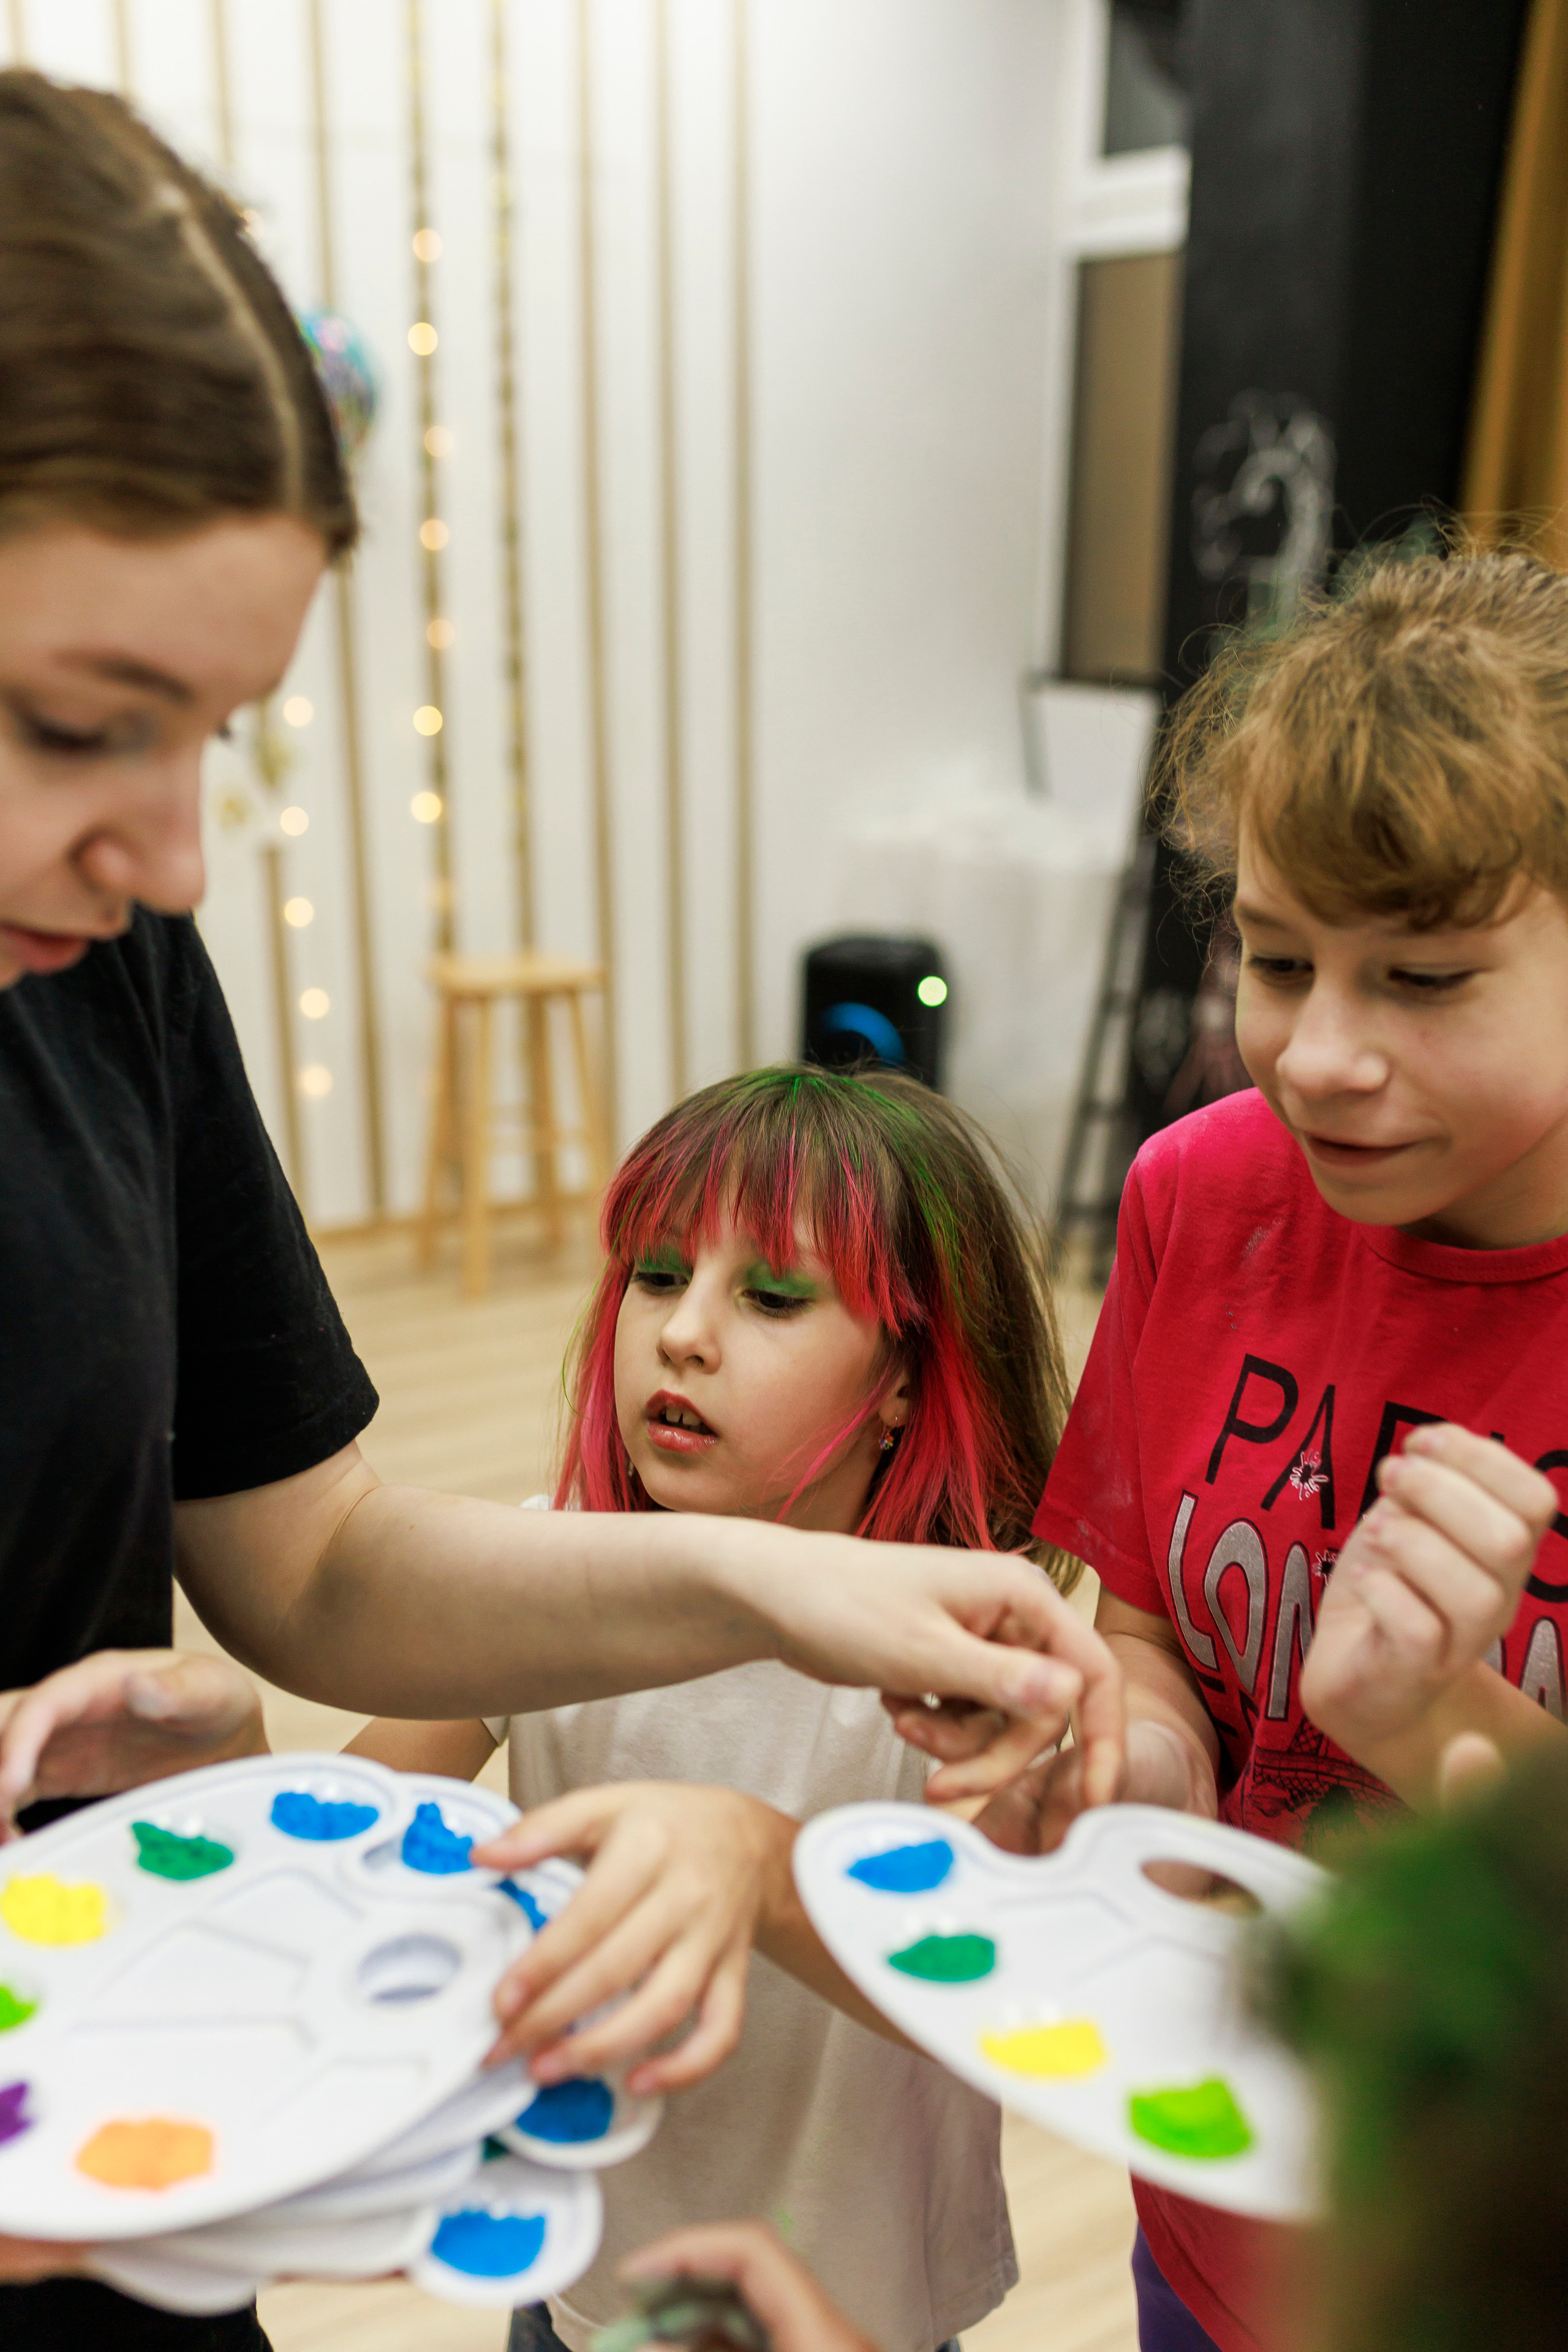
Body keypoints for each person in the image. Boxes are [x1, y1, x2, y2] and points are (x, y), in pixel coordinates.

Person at [0, 66, 1120, 2348]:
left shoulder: (110, 979)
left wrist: (757, 1589)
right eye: (76, 721)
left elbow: (312, 1563)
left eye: (223, 738)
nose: (173, 860)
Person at [996, 548, 1568, 2351]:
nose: (1318, 1054)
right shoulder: (1204, 1195)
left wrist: (1448, 1729)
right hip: (1221, 2203)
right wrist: (1136, 1758)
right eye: (1273, 958)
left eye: (1422, 976)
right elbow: (1160, 1621)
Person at [344, 1065, 1074, 2352]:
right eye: (658, 1275)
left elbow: (997, 1993)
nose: (682, 1333)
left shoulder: (959, 1671)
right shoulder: (546, 1578)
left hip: (857, 2307)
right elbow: (349, 1831)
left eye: (773, 1295)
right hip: (578, 2281)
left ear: (906, 1373)